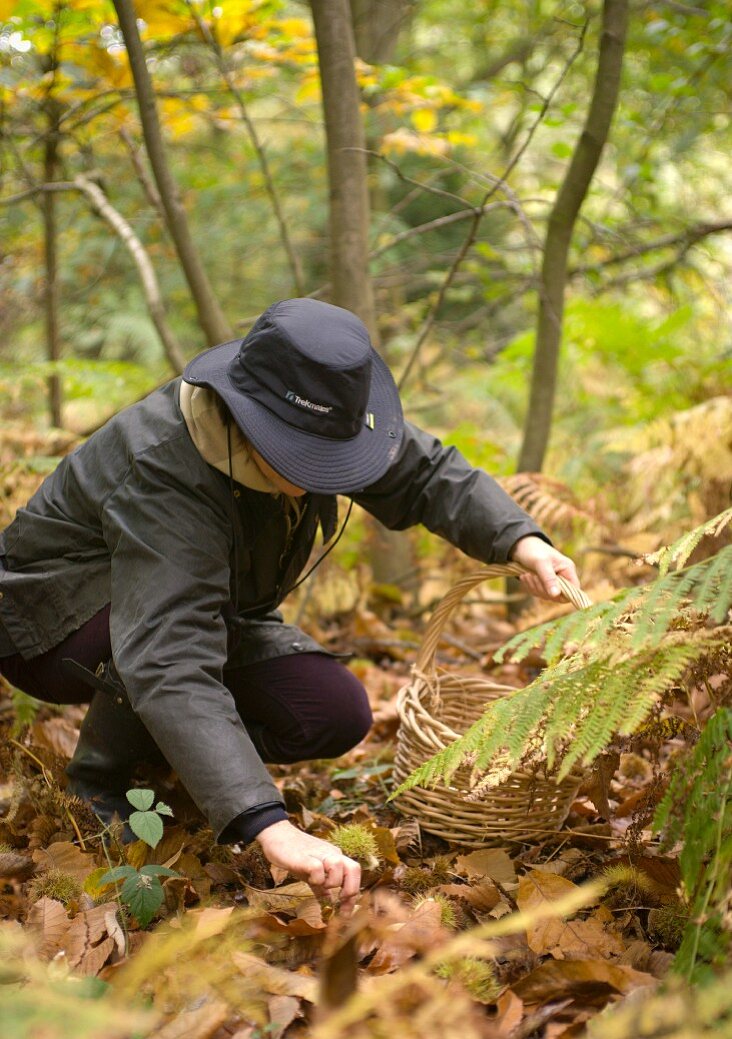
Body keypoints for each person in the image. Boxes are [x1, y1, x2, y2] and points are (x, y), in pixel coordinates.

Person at [0, 298, 580, 912]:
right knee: (153, 641)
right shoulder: (165, 470)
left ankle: (177, 756)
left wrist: (521, 539)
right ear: (247, 417)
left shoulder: (323, 409)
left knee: (332, 710)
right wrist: (267, 824)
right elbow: (168, 654)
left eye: (330, 456)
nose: (319, 473)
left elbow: (423, 472)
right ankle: (100, 781)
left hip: (206, 614)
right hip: (52, 622)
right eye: (299, 454)